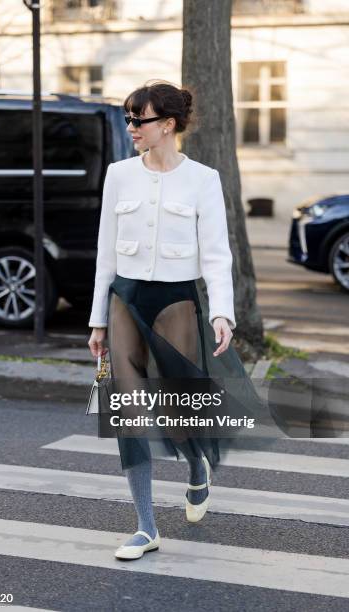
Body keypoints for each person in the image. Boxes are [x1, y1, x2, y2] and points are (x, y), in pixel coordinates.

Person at [87, 80, 262, 561]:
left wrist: (223, 312)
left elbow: (217, 255)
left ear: (167, 125)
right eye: (128, 118)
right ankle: (146, 527)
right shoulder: (119, 174)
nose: (131, 128)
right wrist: (98, 319)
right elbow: (105, 251)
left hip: (177, 302)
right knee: (127, 412)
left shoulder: (203, 179)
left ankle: (196, 466)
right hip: (126, 298)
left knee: (178, 406)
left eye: (138, 120)